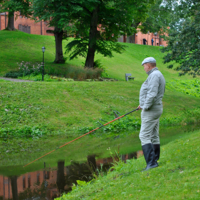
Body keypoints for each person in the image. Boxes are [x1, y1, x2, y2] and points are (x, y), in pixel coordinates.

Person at [138, 57, 165, 171]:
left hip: (151, 109)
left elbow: (152, 94)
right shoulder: (156, 74)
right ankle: (155, 159)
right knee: (153, 135)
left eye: (144, 65)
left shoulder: (154, 75)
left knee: (144, 135)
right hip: (154, 108)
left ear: (148, 65)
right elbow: (150, 93)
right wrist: (142, 104)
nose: (143, 68)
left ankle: (151, 163)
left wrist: (145, 106)